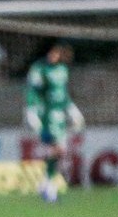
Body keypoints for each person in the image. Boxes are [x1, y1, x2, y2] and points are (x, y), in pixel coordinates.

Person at [24, 43, 84, 202]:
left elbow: (63, 94)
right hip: (47, 116)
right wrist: (31, 111)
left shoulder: (63, 70)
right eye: (53, 52)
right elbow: (33, 91)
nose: (55, 56)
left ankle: (46, 184)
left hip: (60, 118)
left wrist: (72, 110)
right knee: (57, 151)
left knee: (57, 152)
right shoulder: (39, 69)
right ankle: (49, 188)